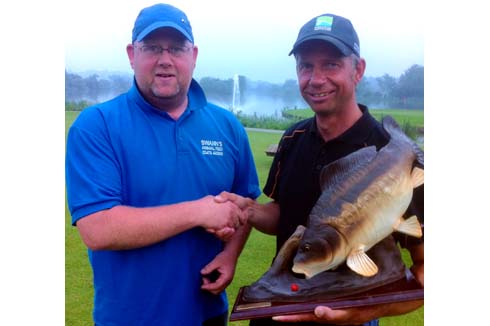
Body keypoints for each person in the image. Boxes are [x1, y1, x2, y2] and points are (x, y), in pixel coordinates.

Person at [220, 13, 424, 325]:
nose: (316, 79)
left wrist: (365, 312)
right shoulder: (292, 138)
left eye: (331, 64)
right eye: (306, 66)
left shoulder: (395, 152)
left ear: (358, 70)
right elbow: (285, 214)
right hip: (279, 306)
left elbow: (425, 267)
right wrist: (249, 211)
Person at [65, 3, 261, 325]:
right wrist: (198, 211)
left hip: (208, 313)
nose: (165, 59)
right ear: (132, 54)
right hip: (129, 318)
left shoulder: (227, 127)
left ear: (194, 55)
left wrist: (230, 255)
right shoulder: (97, 125)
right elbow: (97, 228)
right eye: (152, 47)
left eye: (177, 48)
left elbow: (246, 203)